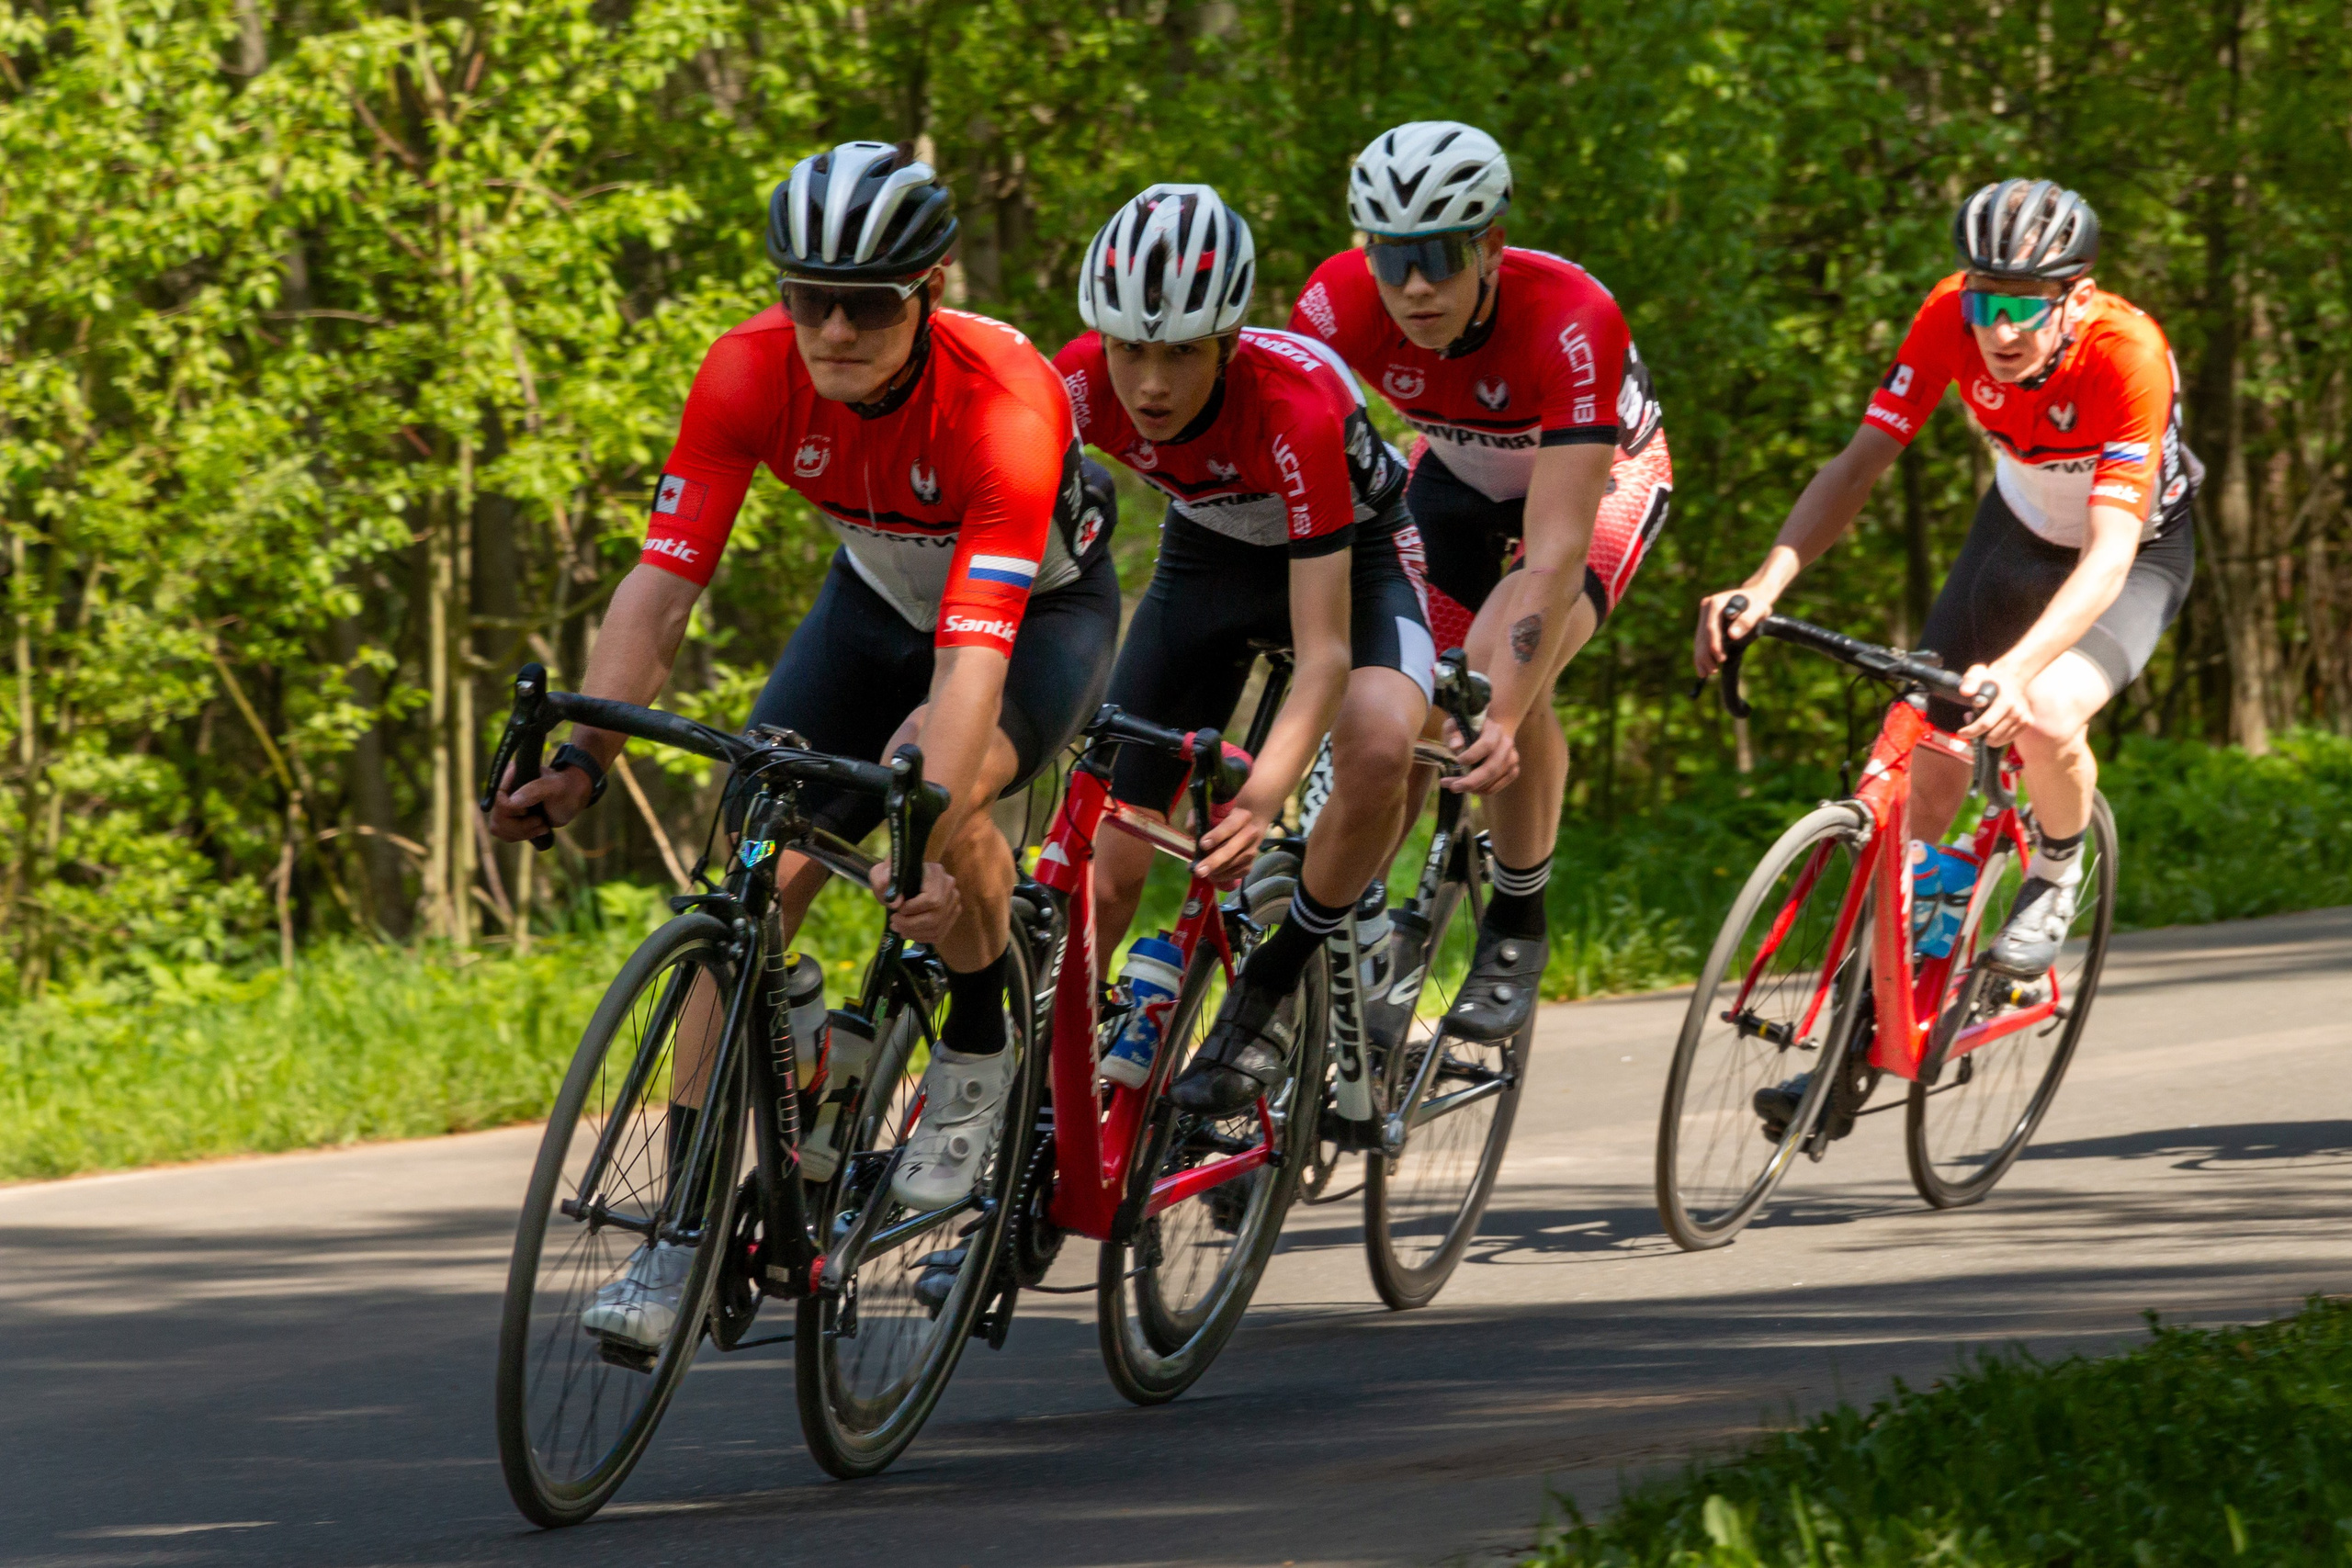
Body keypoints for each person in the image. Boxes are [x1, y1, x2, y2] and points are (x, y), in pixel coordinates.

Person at [485, 141, 1121, 1342]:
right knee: (746, 871)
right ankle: (684, 1228)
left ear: (928, 290)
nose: (831, 327)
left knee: (948, 782)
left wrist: (925, 826)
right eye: (806, 295)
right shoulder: (745, 371)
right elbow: (662, 586)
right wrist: (580, 761)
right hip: (874, 605)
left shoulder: (1008, 399)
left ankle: (980, 1042)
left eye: (865, 303)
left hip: (1028, 618)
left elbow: (972, 660)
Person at [1692, 179, 2199, 1126]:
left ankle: (2053, 870)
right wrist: (1762, 587)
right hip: (2009, 535)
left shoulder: (2128, 356)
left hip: (2128, 558)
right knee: (1916, 782)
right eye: (1981, 303)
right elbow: (1856, 466)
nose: (1997, 331)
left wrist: (2014, 671)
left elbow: (2108, 554)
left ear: (2076, 299)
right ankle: (1854, 1044)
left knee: (2045, 712)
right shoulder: (1945, 322)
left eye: (2020, 307)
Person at [1053, 183, 1435, 1118]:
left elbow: (1325, 655)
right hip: (1208, 555)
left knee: (1381, 746)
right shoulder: (1076, 381)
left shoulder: (1291, 408)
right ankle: (1062, 1076)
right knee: (1113, 843)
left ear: (1226, 344)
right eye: (1130, 349)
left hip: (1358, 556)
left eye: (1179, 353)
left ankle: (1270, 986)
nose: (1148, 383)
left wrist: (1263, 796)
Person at [1292, 120, 1673, 1043]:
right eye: (1392, 259)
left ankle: (1516, 918)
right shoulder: (1336, 305)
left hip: (1593, 479)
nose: (1415, 286)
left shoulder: (1571, 318)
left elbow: (1549, 551)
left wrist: (1499, 713)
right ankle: (1368, 917)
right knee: (1406, 698)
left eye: (1439, 256)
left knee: (1503, 663)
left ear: (1491, 246)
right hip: (1455, 473)